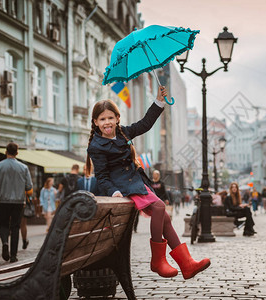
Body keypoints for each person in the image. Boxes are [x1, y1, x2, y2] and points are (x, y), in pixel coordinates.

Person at [86, 86, 210, 280]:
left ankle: (187, 265)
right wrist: (113, 192)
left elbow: (144, 124)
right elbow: (101, 176)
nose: (107, 122)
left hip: (137, 183)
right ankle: (157, 261)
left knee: (166, 219)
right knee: (160, 207)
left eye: (110, 117)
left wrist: (159, 101)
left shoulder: (123, 133)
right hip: (123, 188)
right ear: (95, 122)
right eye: (102, 119)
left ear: (117, 118)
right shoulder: (96, 146)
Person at [0, 142, 33, 263]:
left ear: (6, 152)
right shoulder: (23, 168)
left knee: (3, 224)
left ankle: (4, 244)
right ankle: (13, 255)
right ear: (17, 153)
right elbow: (29, 186)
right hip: (18, 202)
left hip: (2, 201)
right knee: (15, 226)